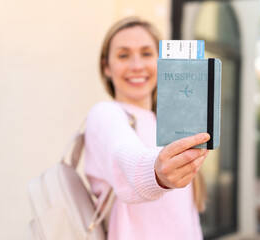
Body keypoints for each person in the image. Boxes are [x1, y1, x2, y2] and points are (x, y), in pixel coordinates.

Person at [84, 16, 210, 240]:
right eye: (123, 55)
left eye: (146, 53)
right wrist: (157, 173)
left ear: (162, 61)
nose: (137, 66)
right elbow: (130, 161)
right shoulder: (105, 114)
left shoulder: (169, 122)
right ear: (106, 68)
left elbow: (187, 220)